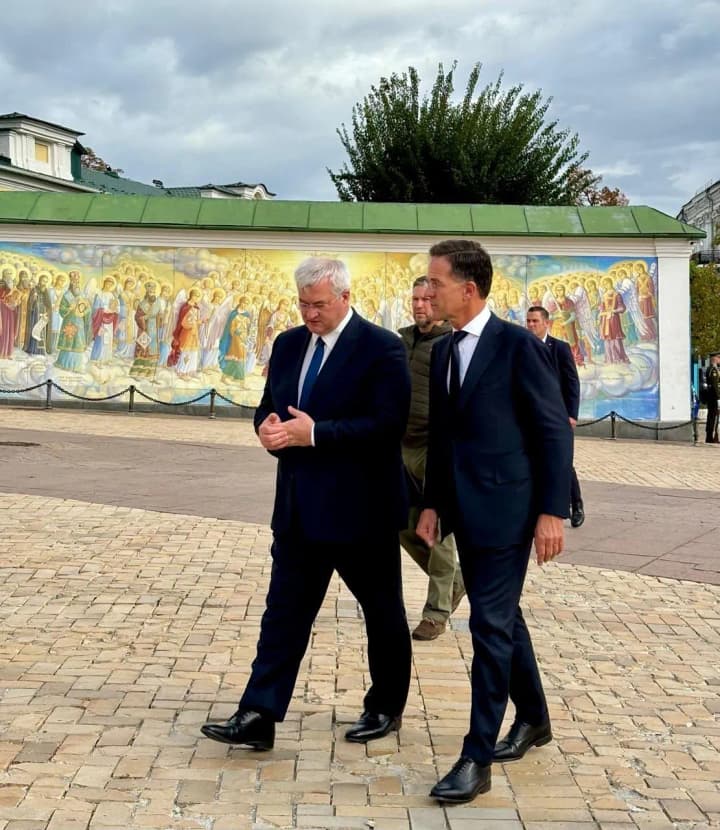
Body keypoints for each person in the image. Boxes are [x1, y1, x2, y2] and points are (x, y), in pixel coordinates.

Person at [201, 256, 412, 751]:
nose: (310, 314)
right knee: (283, 614)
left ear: (345, 297)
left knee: (382, 612)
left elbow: (388, 425)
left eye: (319, 304)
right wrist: (267, 429)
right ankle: (258, 713)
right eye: (302, 304)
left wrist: (315, 433)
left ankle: (385, 706)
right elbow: (268, 406)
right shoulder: (289, 343)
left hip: (361, 510)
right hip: (298, 509)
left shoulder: (382, 347)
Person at [416, 240, 572, 805]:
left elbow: (553, 430)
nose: (426, 291)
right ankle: (534, 718)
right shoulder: (443, 349)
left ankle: (476, 757)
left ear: (468, 289)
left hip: (510, 510)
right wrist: (433, 503)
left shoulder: (517, 345)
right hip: (464, 508)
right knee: (503, 618)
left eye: (435, 282)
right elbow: (443, 435)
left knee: (488, 627)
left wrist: (551, 511)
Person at [398, 276, 465, 641]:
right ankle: (454, 582)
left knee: (438, 530)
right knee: (401, 524)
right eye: (415, 299)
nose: (420, 305)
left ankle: (436, 612)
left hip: (435, 447)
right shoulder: (402, 340)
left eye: (426, 299)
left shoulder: (452, 344)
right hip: (400, 446)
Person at [526, 306, 585, 527]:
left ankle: (576, 504)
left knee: (562, 462)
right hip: (531, 417)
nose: (531, 325)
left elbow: (572, 381)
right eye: (528, 321)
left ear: (546, 323)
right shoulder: (522, 347)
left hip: (558, 416)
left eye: (535, 321)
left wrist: (571, 414)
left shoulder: (559, 348)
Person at [705, 353, 720, 444]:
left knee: (712, 416)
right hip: (713, 397)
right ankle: (710, 437)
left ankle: (710, 436)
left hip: (712, 397)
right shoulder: (713, 370)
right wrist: (718, 398)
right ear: (715, 359)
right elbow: (715, 385)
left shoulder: (712, 369)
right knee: (712, 417)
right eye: (719, 358)